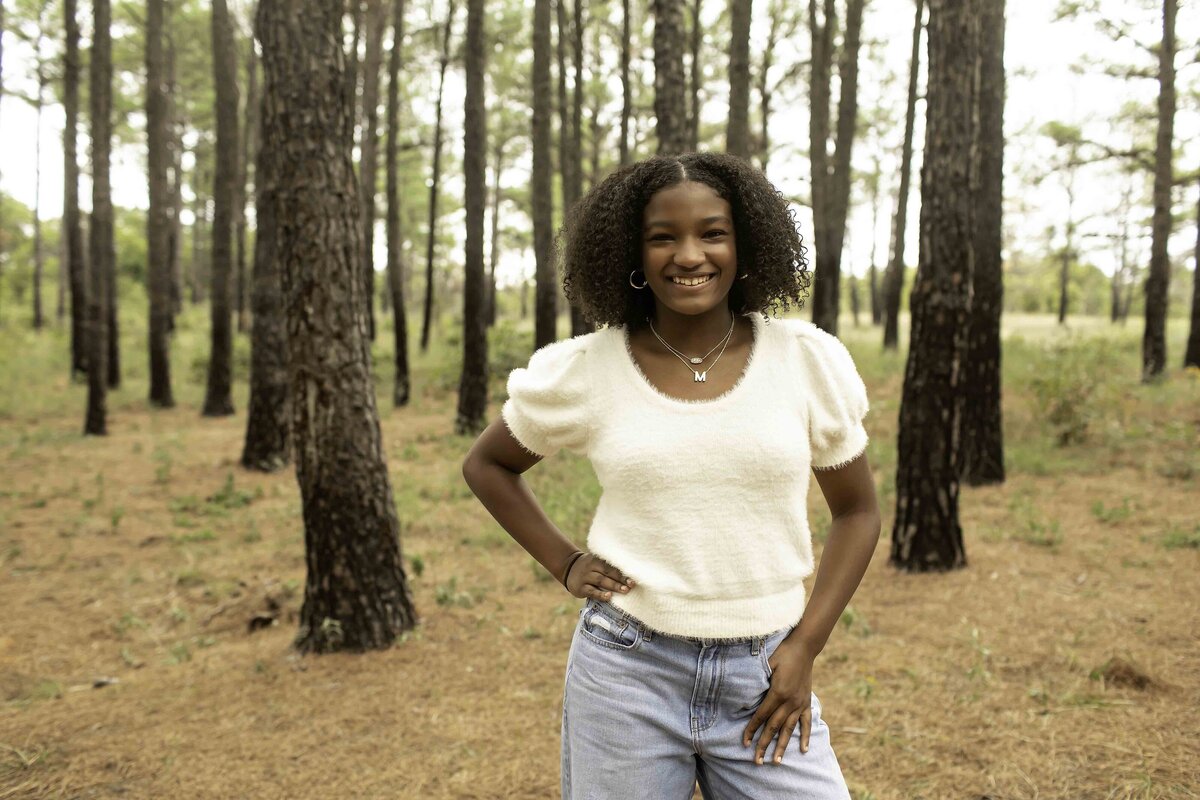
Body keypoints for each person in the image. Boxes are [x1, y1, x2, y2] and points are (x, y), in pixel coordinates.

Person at [462, 152, 880, 799]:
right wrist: (565, 562)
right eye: (664, 236)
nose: (689, 255)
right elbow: (489, 464)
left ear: (745, 245)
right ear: (633, 251)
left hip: (765, 671)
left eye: (712, 233)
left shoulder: (805, 360)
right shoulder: (590, 367)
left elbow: (857, 512)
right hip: (627, 670)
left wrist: (804, 649)